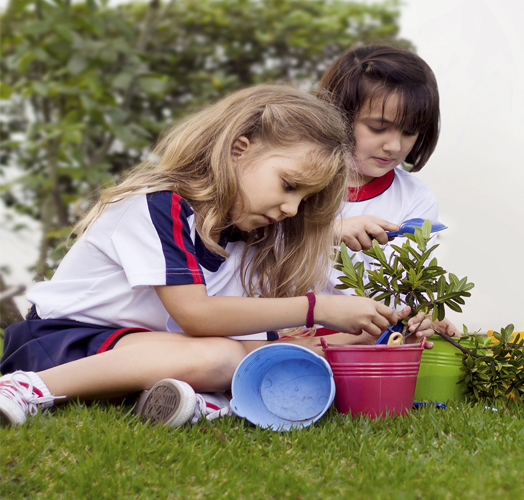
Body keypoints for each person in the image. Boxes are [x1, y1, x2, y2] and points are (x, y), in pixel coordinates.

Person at [0, 85, 414, 428]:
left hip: (156, 350)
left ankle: (176, 400)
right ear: (239, 150)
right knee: (222, 355)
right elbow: (196, 316)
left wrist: (373, 329)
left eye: (304, 199)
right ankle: (25, 387)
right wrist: (319, 308)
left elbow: (258, 336)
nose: (292, 208)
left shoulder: (252, 232)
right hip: (64, 342)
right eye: (289, 185)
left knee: (271, 352)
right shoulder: (161, 205)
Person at [315, 44, 460, 339]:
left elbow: (408, 288)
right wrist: (332, 229)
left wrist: (421, 316)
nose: (394, 146)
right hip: (290, 328)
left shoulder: (415, 198)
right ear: (338, 116)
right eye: (378, 128)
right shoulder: (298, 180)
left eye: (409, 131)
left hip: (371, 335)